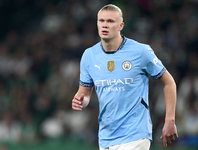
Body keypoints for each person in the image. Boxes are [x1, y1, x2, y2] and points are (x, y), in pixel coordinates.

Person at [72, 4, 178, 150]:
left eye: (110, 21)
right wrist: (80, 101)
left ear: (121, 25)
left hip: (135, 135)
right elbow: (84, 93)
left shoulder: (141, 51)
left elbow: (169, 82)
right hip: (106, 138)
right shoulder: (89, 56)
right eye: (101, 21)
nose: (105, 25)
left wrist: (170, 120)